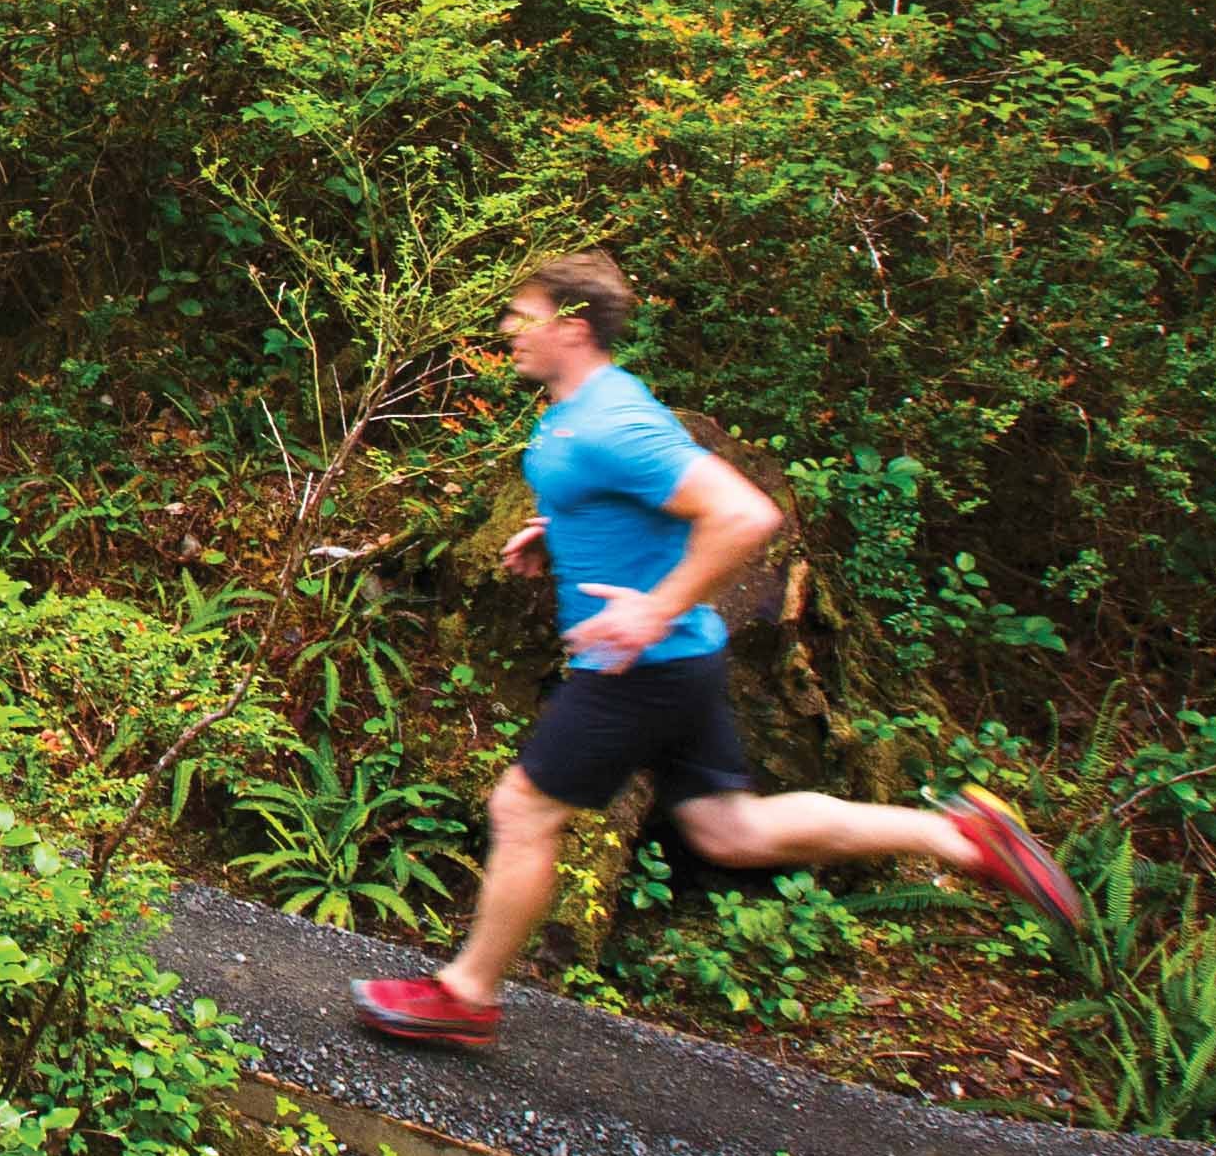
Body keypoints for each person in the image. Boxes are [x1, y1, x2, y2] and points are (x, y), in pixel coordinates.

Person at [355, 250, 1081, 1046]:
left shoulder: (612, 421)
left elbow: (744, 514)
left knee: (522, 809)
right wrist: (557, 532)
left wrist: (651, 610)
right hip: (684, 662)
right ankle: (958, 837)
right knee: (732, 831)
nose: (507, 329)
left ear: (572, 322)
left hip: (636, 665)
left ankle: (466, 997)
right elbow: (631, 503)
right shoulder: (586, 406)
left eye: (521, 314)